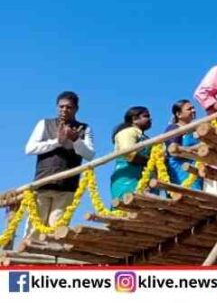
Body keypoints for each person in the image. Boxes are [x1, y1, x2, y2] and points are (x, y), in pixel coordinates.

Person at [23, 91, 95, 238]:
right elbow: (29, 149)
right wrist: (57, 142)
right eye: (61, 107)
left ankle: (49, 260)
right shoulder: (45, 123)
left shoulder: (85, 128)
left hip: (67, 188)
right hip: (42, 184)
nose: (64, 110)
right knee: (34, 230)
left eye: (68, 107)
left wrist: (76, 140)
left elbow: (90, 155)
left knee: (57, 230)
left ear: (76, 109)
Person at [110, 107, 153, 201]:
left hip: (143, 179)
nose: (150, 119)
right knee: (127, 210)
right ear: (135, 119)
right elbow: (128, 154)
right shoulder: (127, 132)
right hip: (127, 179)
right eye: (146, 116)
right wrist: (150, 162)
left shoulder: (145, 137)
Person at [163, 100, 202, 190]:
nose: (193, 110)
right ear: (178, 114)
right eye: (189, 109)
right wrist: (196, 148)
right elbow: (173, 150)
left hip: (196, 168)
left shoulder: (195, 129)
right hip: (181, 169)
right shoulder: (173, 128)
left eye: (193, 108)